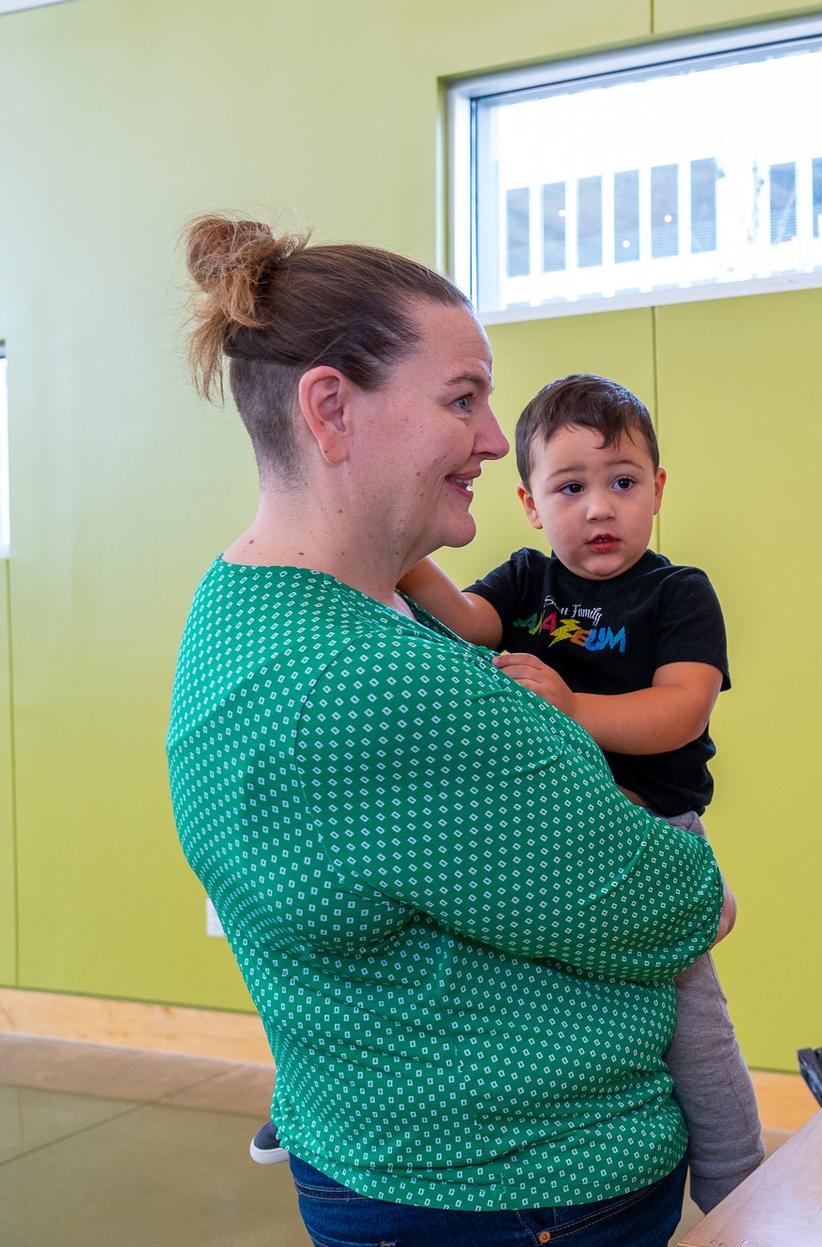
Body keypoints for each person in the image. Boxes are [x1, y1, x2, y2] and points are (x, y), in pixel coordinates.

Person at [166, 216, 729, 1247]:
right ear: (331, 410)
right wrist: (696, 878)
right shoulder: (371, 680)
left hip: (393, 1153)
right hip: (516, 1186)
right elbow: (662, 903)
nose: (486, 434)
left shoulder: (240, 603)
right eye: (462, 398)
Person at [397, 373, 761, 1211]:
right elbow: (466, 622)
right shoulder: (528, 579)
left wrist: (570, 705)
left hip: (653, 827)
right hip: (551, 827)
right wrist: (403, 552)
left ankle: (742, 1187)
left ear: (658, 491)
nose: (600, 508)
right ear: (529, 501)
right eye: (572, 487)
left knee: (694, 1024)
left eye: (623, 483)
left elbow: (679, 711)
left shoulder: (678, 592)